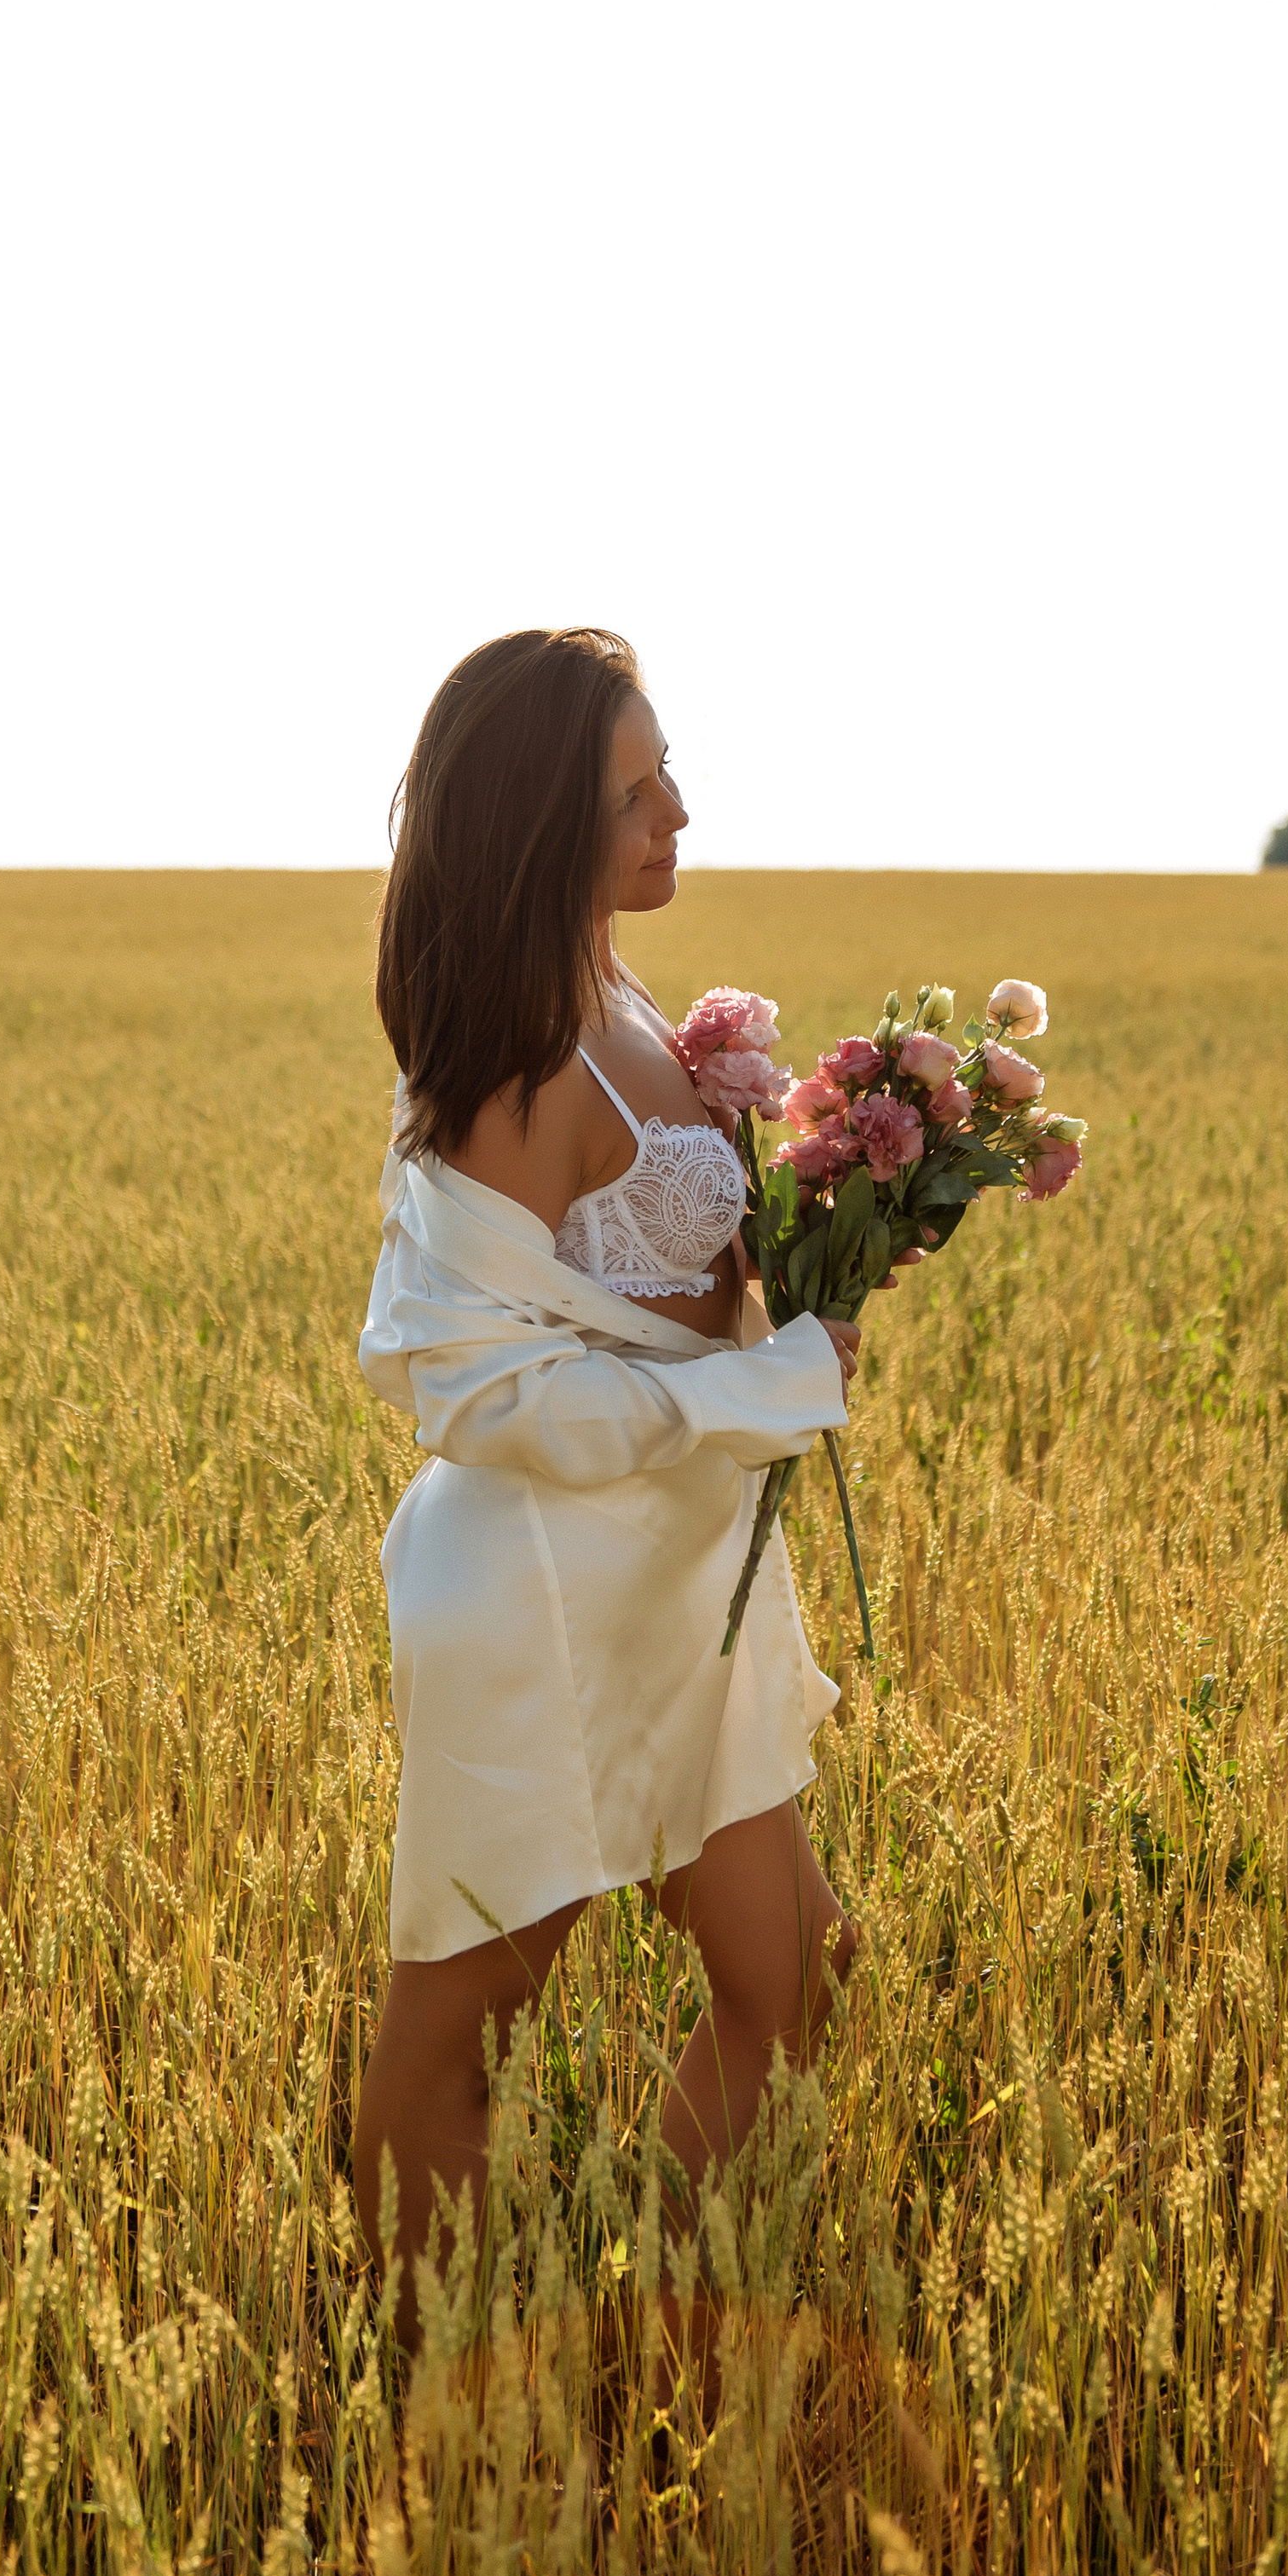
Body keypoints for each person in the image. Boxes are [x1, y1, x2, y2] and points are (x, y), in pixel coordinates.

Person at [352, 627, 938, 2336]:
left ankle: (643, 2322)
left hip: (684, 1575)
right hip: (543, 1584)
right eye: (630, 791)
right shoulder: (513, 1057)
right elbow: (468, 1383)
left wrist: (841, 1226)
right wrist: (763, 1381)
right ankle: (427, 2396)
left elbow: (653, 1285)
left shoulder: (611, 1001)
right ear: (542, 819)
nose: (675, 810)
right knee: (457, 2023)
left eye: (665, 772)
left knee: (790, 1973)